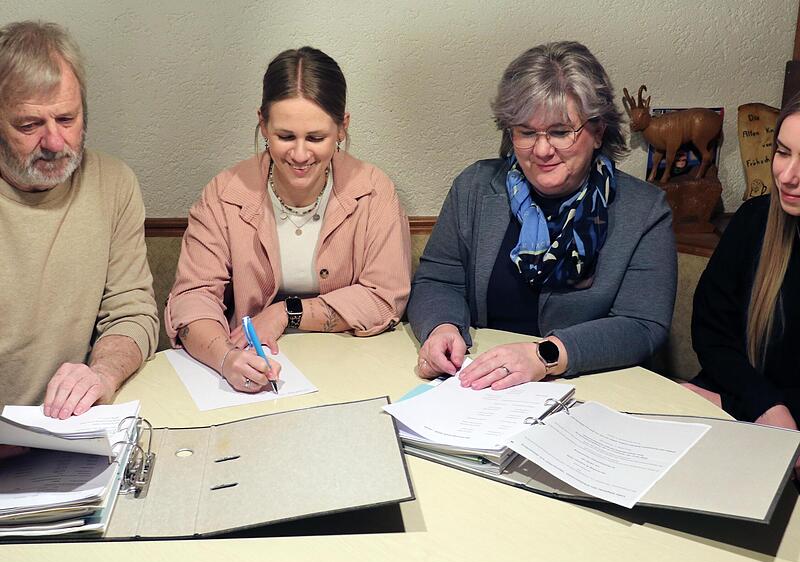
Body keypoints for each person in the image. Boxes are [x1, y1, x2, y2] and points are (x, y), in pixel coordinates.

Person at [408, 41, 676, 389]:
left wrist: (545, 355)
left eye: (561, 132)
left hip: (595, 388)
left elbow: (641, 325)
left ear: (597, 132)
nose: (542, 149)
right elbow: (438, 281)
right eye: (526, 132)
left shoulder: (644, 210)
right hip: (484, 388)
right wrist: (441, 327)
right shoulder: (474, 188)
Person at [166, 47, 411, 393]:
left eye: (316, 138)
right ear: (263, 124)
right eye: (285, 137)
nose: (299, 154)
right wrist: (226, 359)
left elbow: (384, 300)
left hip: (353, 370)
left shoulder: (374, 191)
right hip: (253, 369)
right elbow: (192, 297)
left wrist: (286, 313)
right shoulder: (224, 194)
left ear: (342, 128)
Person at [0, 21, 158, 419]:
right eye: (29, 125)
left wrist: (102, 374)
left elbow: (132, 311)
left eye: (67, 119)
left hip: (71, 429)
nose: (55, 143)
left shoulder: (114, 182)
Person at [689, 95, 800, 441]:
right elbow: (711, 334)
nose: (788, 176)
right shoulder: (754, 220)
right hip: (745, 406)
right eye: (783, 152)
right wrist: (761, 405)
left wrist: (738, 406)